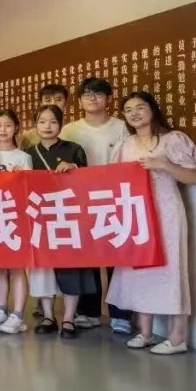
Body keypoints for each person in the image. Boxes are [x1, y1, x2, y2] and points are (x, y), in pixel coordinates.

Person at [108, 91, 196, 355]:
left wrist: (163, 165)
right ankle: (145, 332)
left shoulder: (172, 139)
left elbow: (193, 177)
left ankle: (177, 337)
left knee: (171, 270)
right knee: (139, 271)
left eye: (139, 107)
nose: (134, 113)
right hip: (136, 214)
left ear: (152, 109)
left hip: (166, 212)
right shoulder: (124, 145)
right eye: (128, 110)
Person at [61, 77, 132, 334]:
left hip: (115, 199)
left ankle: (120, 314)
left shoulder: (122, 127)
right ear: (80, 101)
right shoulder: (69, 130)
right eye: (87, 94)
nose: (93, 98)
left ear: (108, 99)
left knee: (117, 258)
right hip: (82, 200)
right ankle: (89, 312)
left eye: (99, 94)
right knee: (87, 257)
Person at [24, 104, 93, 339]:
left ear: (61, 125)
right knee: (43, 268)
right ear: (35, 125)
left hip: (68, 216)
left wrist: (75, 168)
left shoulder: (74, 149)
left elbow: (89, 182)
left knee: (71, 266)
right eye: (42, 121)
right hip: (40, 217)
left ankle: (68, 318)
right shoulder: (28, 155)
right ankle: (48, 316)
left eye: (53, 121)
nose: (47, 126)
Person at [0, 109, 30, 334]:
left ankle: (18, 314)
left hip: (17, 216)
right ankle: (1, 309)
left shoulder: (23, 157)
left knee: (16, 266)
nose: (3, 130)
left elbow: (30, 188)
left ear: (16, 128)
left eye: (8, 125)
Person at [21, 84, 69, 149]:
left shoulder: (73, 130)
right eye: (48, 100)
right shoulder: (29, 137)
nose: (53, 103)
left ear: (66, 103)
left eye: (58, 99)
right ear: (41, 104)